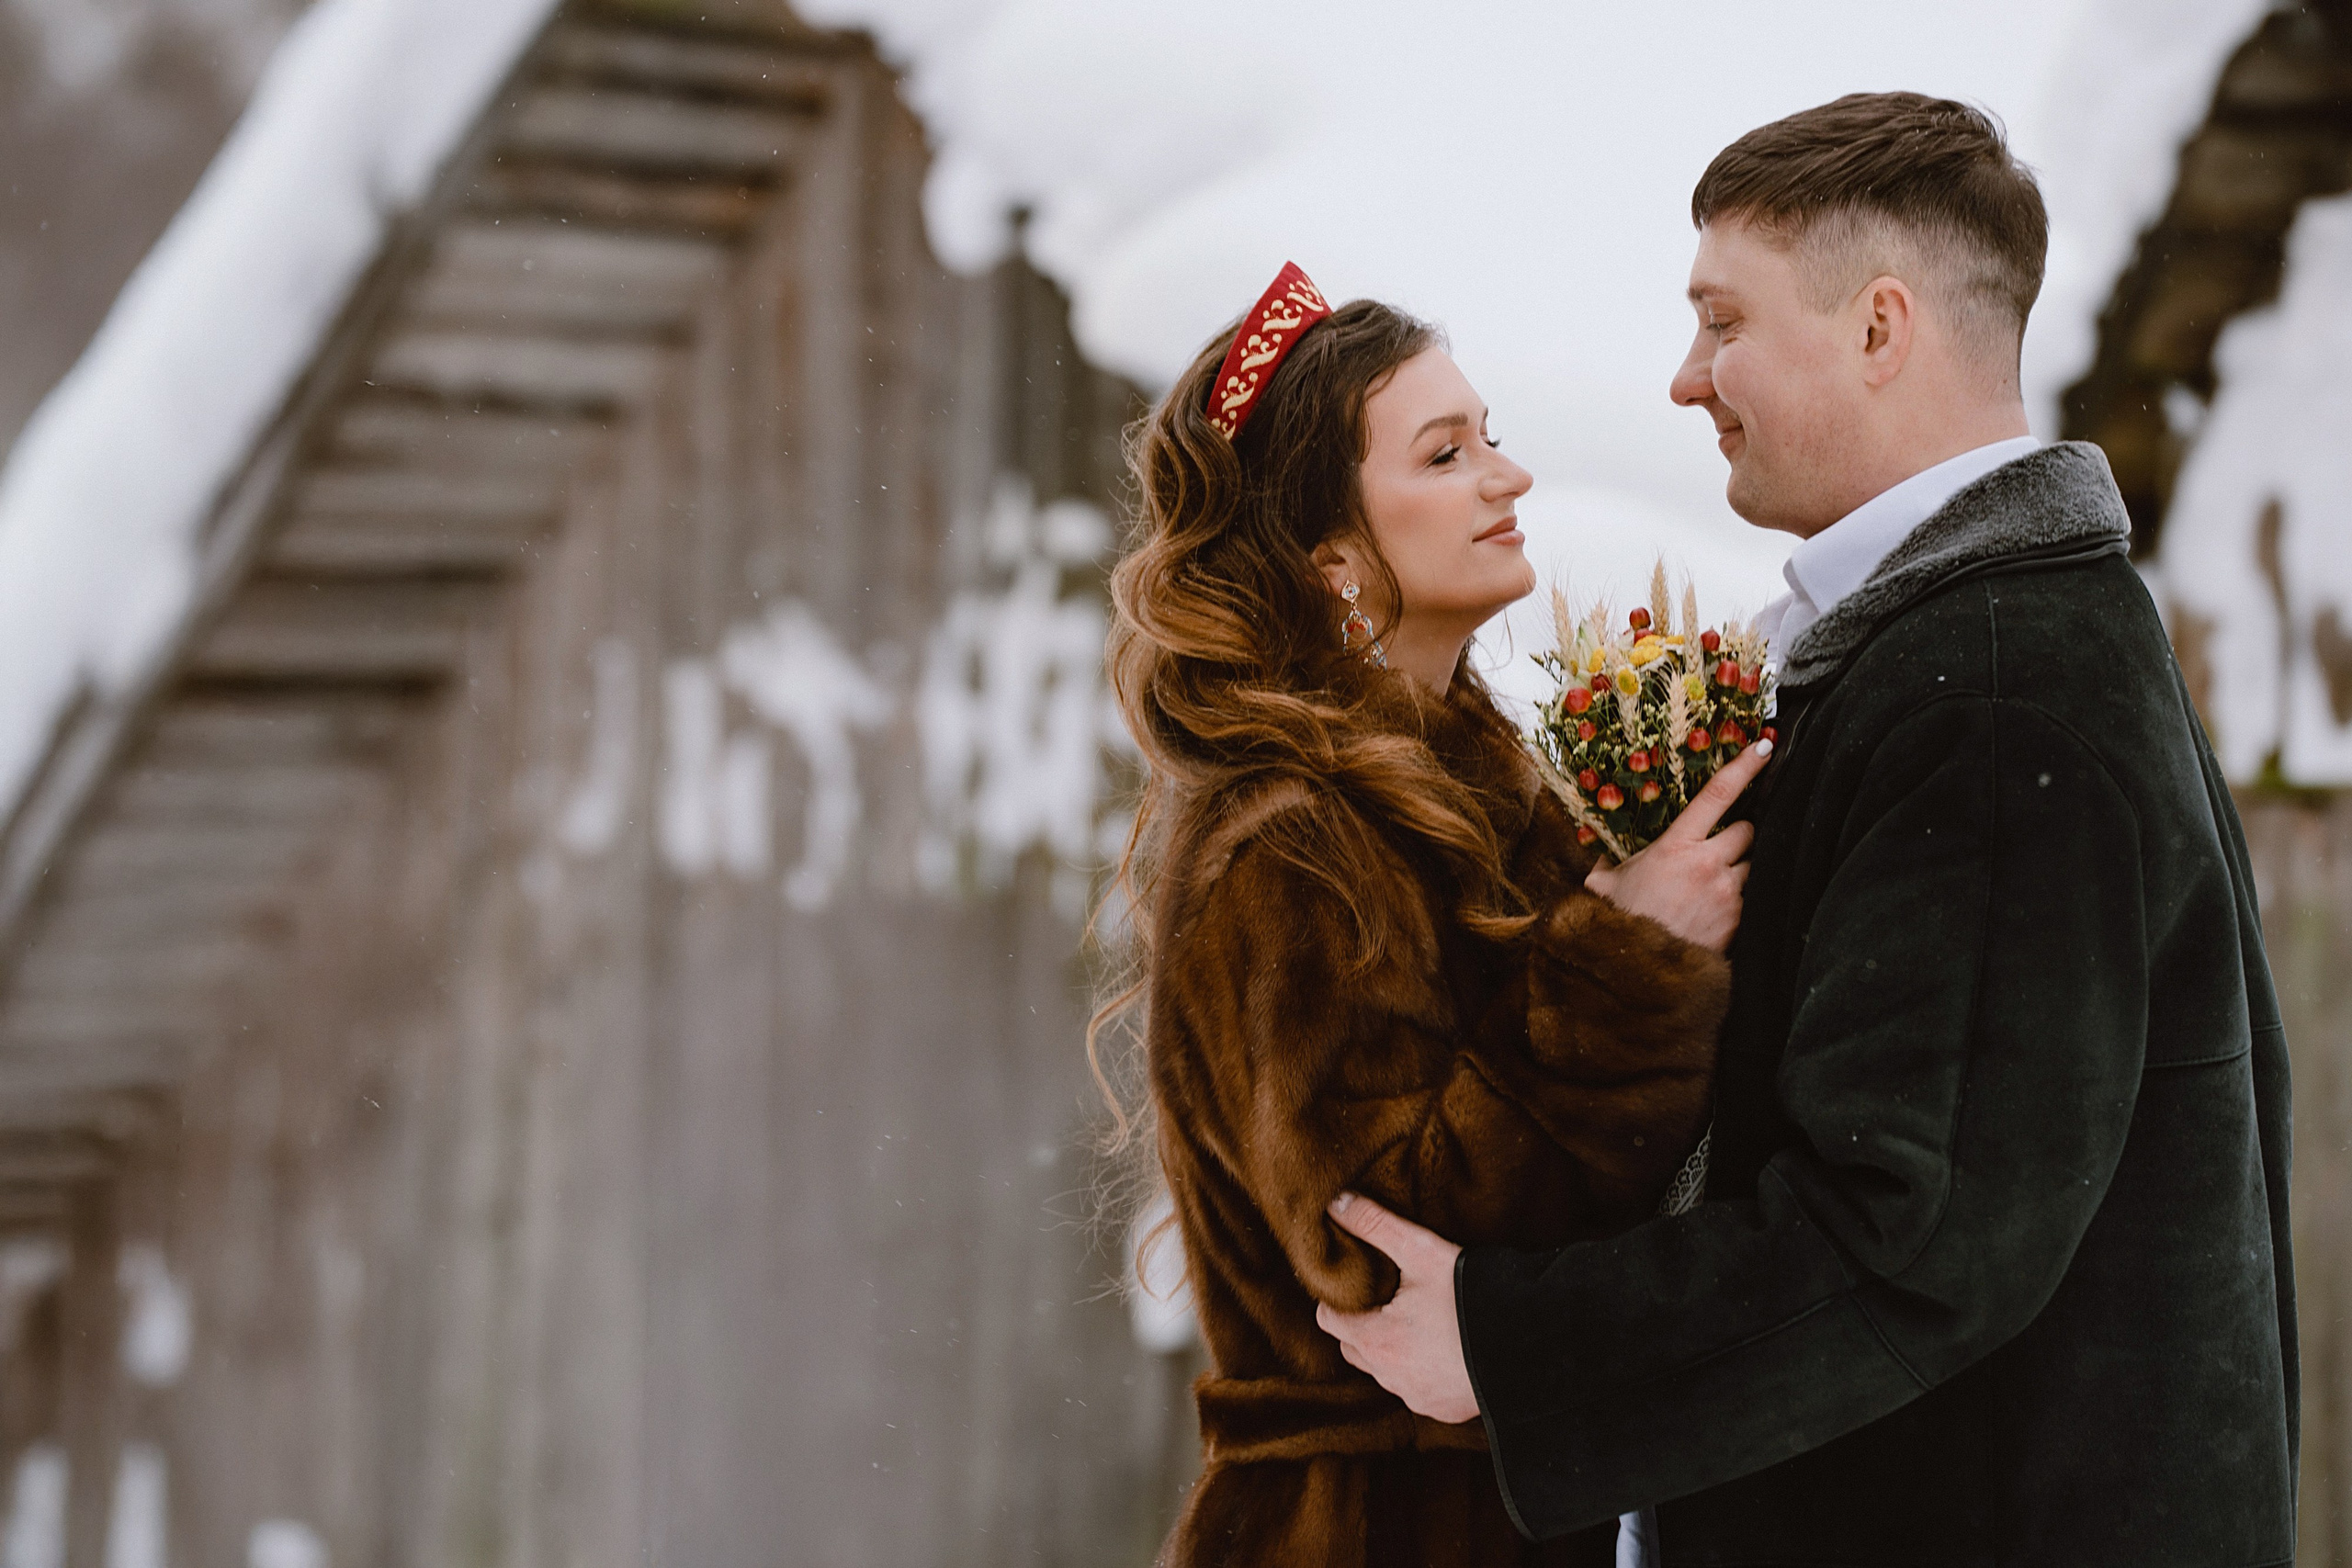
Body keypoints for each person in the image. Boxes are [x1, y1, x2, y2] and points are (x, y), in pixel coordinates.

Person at [1317, 93, 2299, 1566]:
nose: (1683, 379)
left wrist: (1512, 1348)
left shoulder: (1992, 694)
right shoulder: (1980, 644)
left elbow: (1911, 1234)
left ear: (1878, 329)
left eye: (1722, 323)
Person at [1102, 263, 1769, 1567]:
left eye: (1493, 438)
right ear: (1332, 554)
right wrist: (1627, 965)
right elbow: (1382, 1255)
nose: (1507, 477)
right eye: (1446, 452)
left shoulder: (1467, 793)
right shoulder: (1288, 845)